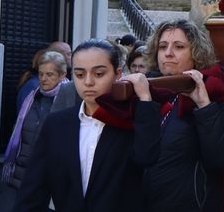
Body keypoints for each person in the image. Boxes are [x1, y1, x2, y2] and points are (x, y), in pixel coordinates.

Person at [14, 39, 161, 212]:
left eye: (99, 74)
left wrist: (145, 99)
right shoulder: (57, 124)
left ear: (117, 74)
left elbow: (147, 157)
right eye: (80, 74)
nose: (88, 82)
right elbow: (32, 190)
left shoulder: (130, 123)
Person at [142, 19, 224, 212]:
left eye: (178, 47)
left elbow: (223, 158)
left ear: (196, 53)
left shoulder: (215, 95)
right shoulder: (145, 92)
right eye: (162, 47)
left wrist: (204, 106)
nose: (168, 53)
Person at [0, 51, 67, 209]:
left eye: (50, 74)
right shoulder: (32, 97)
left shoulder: (70, 99)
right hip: (26, 173)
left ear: (62, 75)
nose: (43, 79)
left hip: (51, 177)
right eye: (41, 74)